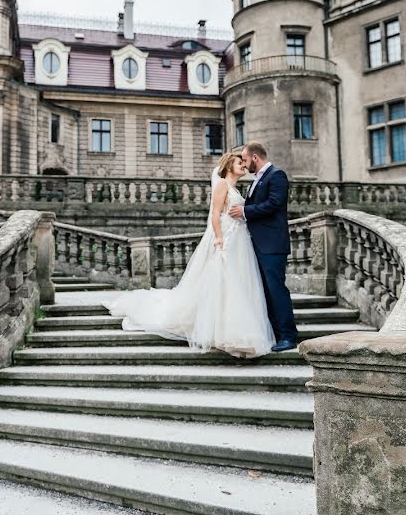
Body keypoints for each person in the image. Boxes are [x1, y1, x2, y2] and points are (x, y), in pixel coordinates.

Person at [104, 152, 275, 358]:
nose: (244, 166)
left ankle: (232, 329)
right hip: (227, 237)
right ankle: (222, 331)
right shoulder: (221, 184)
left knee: (235, 283)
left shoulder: (236, 188)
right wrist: (219, 238)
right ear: (229, 165)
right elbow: (215, 214)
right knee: (223, 281)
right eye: (240, 163)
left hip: (239, 239)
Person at [229, 142, 298, 352]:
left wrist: (245, 211)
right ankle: (277, 334)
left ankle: (288, 335)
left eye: (245, 159)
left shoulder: (277, 175)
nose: (244, 163)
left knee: (277, 290)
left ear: (256, 158)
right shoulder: (255, 180)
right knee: (266, 292)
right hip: (257, 244)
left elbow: (275, 203)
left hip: (272, 244)